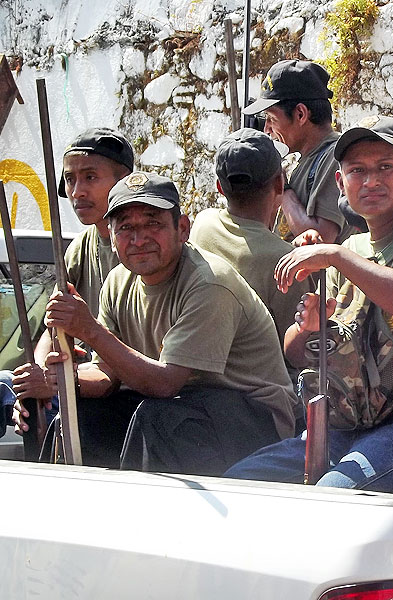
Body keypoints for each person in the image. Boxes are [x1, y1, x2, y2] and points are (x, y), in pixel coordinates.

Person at [225, 116, 393, 493]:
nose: (371, 181)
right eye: (357, 171)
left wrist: (336, 256)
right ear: (341, 182)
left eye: (385, 168)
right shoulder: (351, 250)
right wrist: (311, 327)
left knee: (334, 498)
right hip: (356, 425)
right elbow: (297, 353)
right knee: (240, 484)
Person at [30, 172, 298, 475]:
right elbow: (107, 373)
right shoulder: (118, 282)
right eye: (127, 228)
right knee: (77, 416)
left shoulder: (208, 283)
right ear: (112, 237)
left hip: (256, 417)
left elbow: (165, 383)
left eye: (152, 224)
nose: (139, 239)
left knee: (158, 418)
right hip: (178, 405)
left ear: (182, 229)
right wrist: (62, 381)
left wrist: (90, 330)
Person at [9, 128, 133, 447]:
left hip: (123, 391)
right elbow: (54, 327)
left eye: (90, 177)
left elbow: (124, 369)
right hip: (82, 381)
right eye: (70, 179)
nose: (77, 191)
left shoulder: (141, 251)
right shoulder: (79, 248)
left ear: (123, 182)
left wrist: (54, 385)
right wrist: (35, 378)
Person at [190, 128, 309, 347]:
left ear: (220, 187)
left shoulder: (202, 223)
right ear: (279, 184)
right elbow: (297, 348)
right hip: (257, 378)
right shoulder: (286, 260)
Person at [242, 59, 349, 244]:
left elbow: (320, 239)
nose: (267, 129)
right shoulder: (305, 160)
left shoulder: (334, 157)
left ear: (300, 114)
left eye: (271, 118)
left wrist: (282, 185)